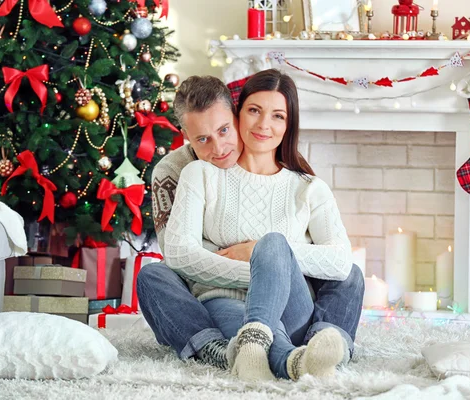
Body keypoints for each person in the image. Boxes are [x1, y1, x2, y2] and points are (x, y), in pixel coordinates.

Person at [137, 73, 364, 380]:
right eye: (254, 110)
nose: (263, 125)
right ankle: (294, 361)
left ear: (288, 124)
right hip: (223, 301)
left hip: (292, 307)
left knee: (283, 247)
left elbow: (339, 263)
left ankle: (322, 342)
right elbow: (178, 253)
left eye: (278, 115)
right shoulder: (198, 173)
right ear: (239, 111)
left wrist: (265, 256)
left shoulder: (309, 188)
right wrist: (265, 276)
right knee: (153, 275)